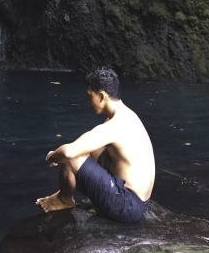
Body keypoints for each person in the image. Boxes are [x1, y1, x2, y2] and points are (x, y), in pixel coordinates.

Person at [35, 68, 155, 223]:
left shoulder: (115, 125)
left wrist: (51, 157)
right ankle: (65, 190)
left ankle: (64, 199)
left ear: (101, 96)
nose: (88, 101)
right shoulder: (127, 115)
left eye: (89, 96)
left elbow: (68, 152)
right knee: (88, 148)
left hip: (127, 205)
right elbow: (84, 144)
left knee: (73, 157)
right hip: (138, 201)